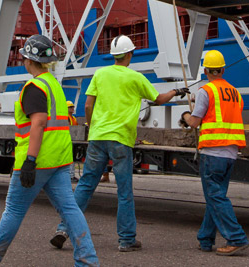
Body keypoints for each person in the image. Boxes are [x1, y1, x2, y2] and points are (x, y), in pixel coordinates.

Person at [0, 35, 97, 267]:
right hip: (60, 159)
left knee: (13, 211)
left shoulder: (34, 87)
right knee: (70, 210)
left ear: (28, 60)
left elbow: (39, 123)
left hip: (39, 159)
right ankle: (88, 261)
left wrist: (30, 161)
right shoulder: (54, 84)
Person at [51, 35, 187, 253]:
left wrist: (92, 127)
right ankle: (126, 240)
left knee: (85, 185)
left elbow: (87, 105)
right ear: (130, 54)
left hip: (97, 137)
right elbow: (158, 99)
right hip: (121, 139)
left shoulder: (100, 74)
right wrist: (175, 91)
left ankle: (63, 230)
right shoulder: (135, 78)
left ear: (114, 55)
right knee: (124, 192)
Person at [180, 49, 249, 256]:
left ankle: (236, 237)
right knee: (216, 196)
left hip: (213, 152)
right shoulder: (235, 92)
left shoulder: (206, 91)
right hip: (231, 152)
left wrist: (185, 114)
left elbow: (194, 122)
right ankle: (205, 239)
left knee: (215, 197)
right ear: (222, 69)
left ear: (206, 70)